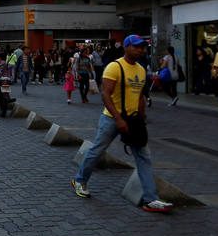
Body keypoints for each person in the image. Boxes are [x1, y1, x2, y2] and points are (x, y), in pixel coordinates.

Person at [72, 35, 173, 213]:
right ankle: (80, 180)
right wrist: (118, 119)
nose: (141, 50)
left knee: (144, 157)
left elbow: (140, 97)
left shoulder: (141, 70)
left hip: (133, 121)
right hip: (111, 118)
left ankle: (150, 199)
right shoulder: (115, 67)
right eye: (137, 47)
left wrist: (142, 120)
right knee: (97, 150)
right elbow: (105, 94)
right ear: (126, 48)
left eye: (143, 47)